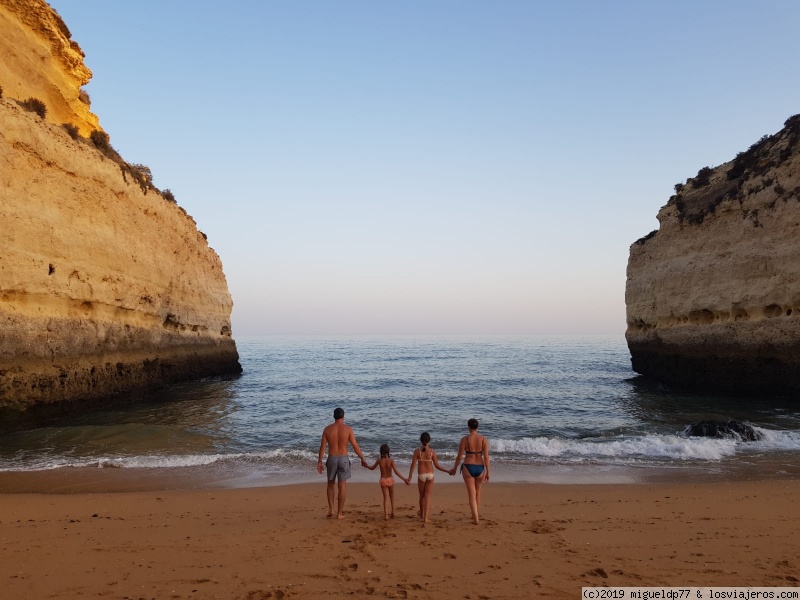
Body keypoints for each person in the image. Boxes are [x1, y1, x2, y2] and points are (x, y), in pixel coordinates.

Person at [317, 407, 368, 519]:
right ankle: (340, 514)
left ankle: (331, 509)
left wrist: (320, 461)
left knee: (330, 484)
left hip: (332, 458)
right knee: (342, 486)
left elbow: (322, 447)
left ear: (334, 416)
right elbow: (355, 446)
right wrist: (362, 459)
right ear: (343, 417)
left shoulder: (327, 429)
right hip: (344, 459)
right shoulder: (348, 429)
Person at [449, 418, 490, 524]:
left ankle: (475, 517)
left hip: (468, 467)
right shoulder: (484, 439)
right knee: (478, 492)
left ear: (469, 427)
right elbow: (486, 457)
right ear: (477, 427)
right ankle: (475, 514)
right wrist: (488, 472)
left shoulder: (465, 439)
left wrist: (455, 467)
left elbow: (459, 456)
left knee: (471, 494)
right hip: (480, 467)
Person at [407, 432, 449, 525]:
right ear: (429, 440)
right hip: (430, 475)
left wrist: (409, 477)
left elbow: (413, 465)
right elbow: (437, 466)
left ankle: (422, 513)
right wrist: (447, 471)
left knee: (421, 496)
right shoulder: (432, 452)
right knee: (427, 497)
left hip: (421, 475)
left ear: (420, 440)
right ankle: (425, 517)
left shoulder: (417, 451)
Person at [366, 443, 410, 520]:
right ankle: (393, 512)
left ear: (381, 451)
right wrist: (404, 479)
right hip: (390, 479)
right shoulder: (391, 460)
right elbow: (396, 472)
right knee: (392, 496)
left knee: (385, 498)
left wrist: (366, 465)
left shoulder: (379, 460)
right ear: (388, 451)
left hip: (383, 480)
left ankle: (386, 515)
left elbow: (372, 468)